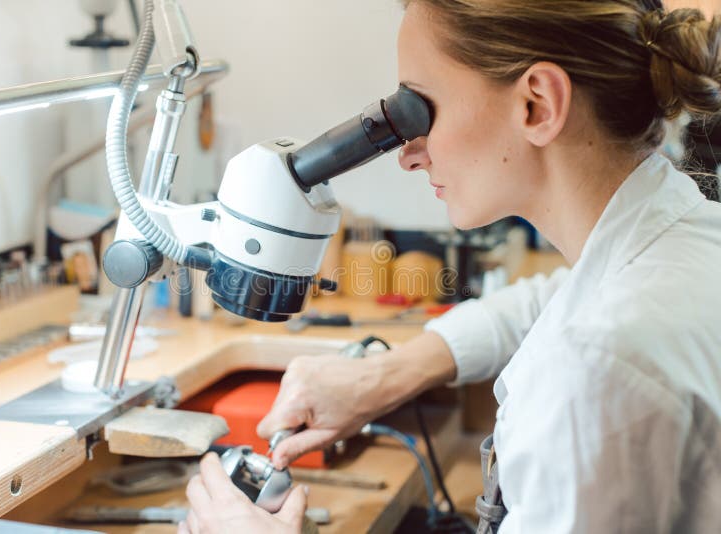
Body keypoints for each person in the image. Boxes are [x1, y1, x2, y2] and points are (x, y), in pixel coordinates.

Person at [182, 1, 721, 532]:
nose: (408, 153)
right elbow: (551, 299)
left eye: (421, 110)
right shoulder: (683, 241)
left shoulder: (597, 371)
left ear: (537, 104)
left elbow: (592, 345)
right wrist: (386, 375)